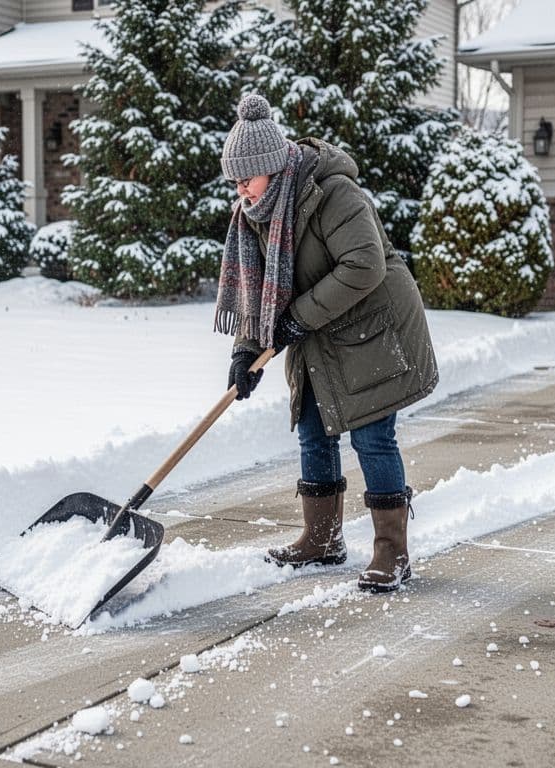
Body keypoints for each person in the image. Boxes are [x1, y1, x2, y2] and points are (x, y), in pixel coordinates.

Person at [213, 93, 438, 592]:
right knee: (314, 431)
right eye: (235, 180)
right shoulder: (257, 211)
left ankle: (391, 554)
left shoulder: (333, 193)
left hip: (371, 330)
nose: (240, 189)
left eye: (245, 177)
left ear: (271, 166)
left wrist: (297, 319)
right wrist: (245, 352)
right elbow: (259, 287)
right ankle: (322, 539)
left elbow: (365, 265)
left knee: (372, 438)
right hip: (318, 330)